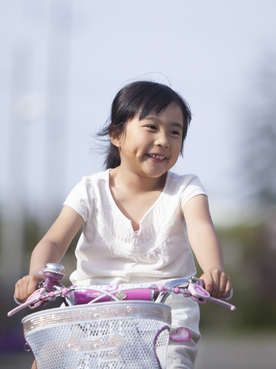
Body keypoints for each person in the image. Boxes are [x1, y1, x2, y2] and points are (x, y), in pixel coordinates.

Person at [14, 80, 232, 368]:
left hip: (165, 315)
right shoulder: (90, 189)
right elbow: (54, 240)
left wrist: (213, 270)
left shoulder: (186, 189)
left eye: (175, 132)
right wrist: (36, 276)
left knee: (173, 362)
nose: (164, 140)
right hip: (91, 312)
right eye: (152, 127)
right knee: (47, 361)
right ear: (116, 135)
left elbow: (202, 229)